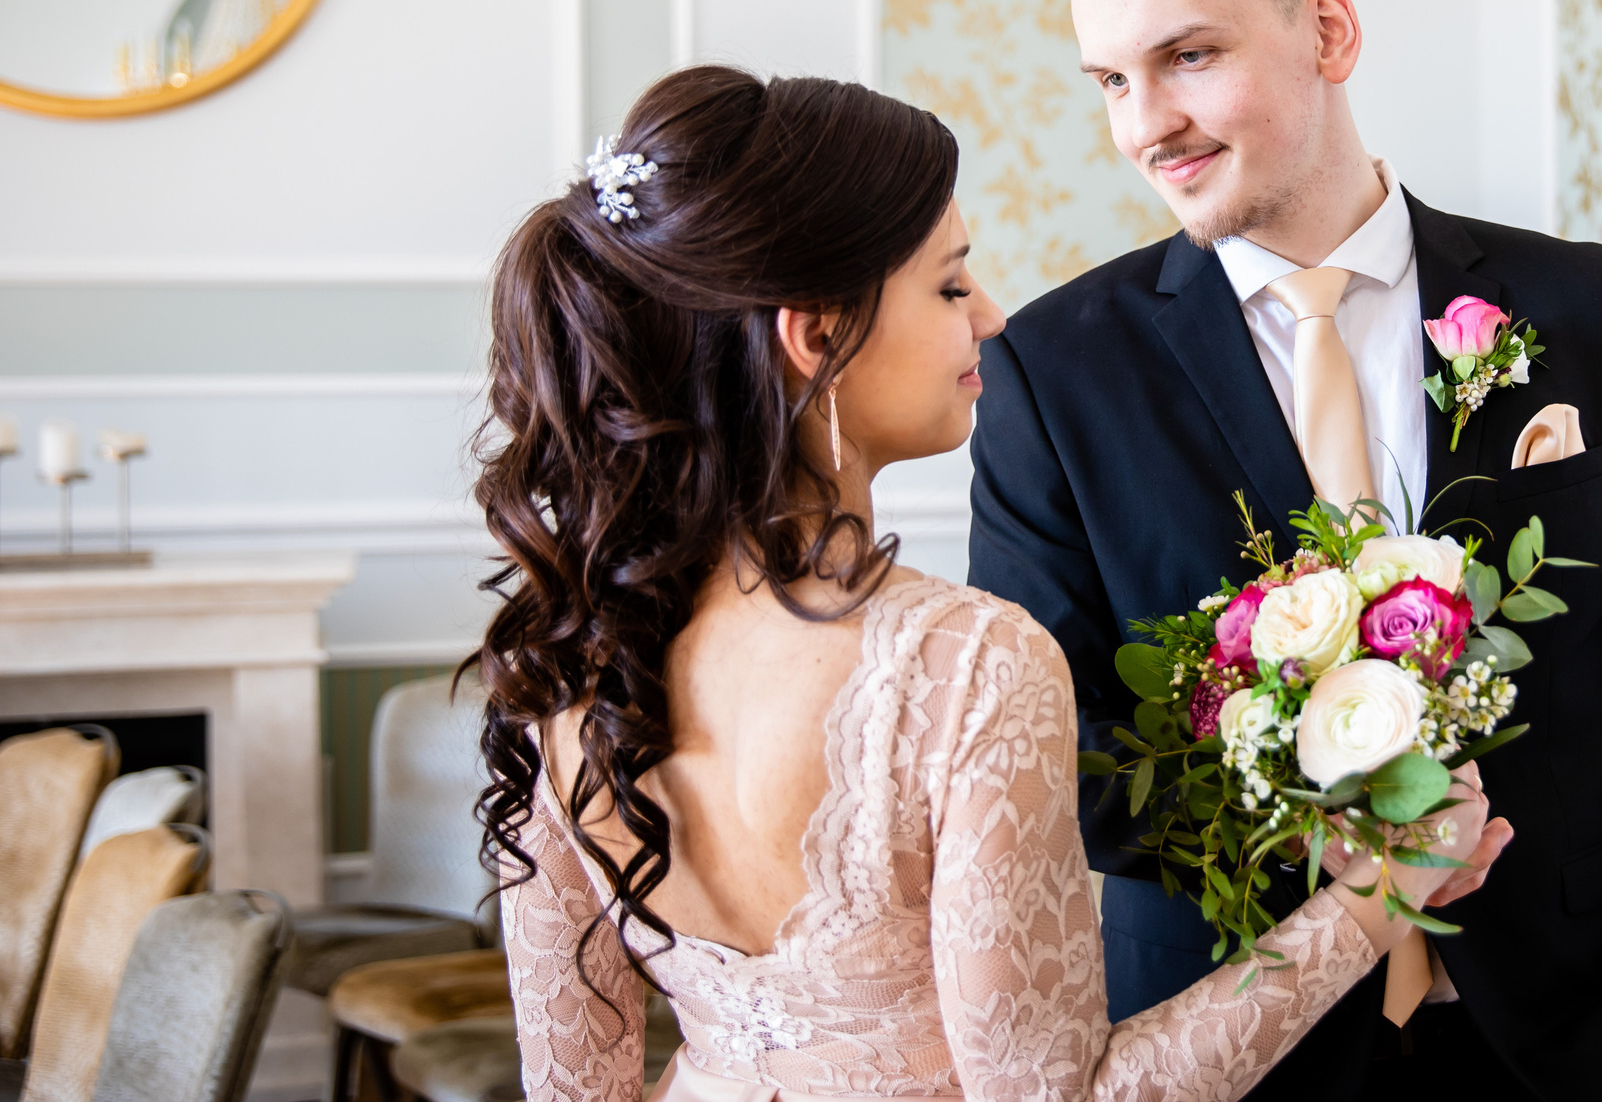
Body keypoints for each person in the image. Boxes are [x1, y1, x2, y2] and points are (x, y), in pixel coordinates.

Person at [470, 65, 1502, 1102]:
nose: (992, 318)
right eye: (951, 285)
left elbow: (571, 1090)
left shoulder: (564, 666)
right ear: (817, 335)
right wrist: (1380, 894)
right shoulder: (965, 666)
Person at [968, 0, 1602, 1102]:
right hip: (1235, 1044)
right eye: (1112, 81)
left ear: (1328, 31)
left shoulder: (1592, 312)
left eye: (1188, 56)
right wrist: (1342, 839)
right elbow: (1058, 763)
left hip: (1577, 1043)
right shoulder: (1050, 371)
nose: (1147, 126)